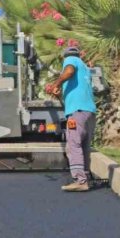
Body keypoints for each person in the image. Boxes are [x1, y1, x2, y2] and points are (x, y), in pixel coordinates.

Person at [46, 45, 97, 192]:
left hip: (78, 112)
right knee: (84, 146)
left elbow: (69, 71)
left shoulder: (71, 60)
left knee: (73, 145)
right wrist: (59, 93)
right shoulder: (85, 69)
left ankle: (80, 180)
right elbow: (73, 97)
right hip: (89, 112)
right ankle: (86, 178)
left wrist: (56, 83)